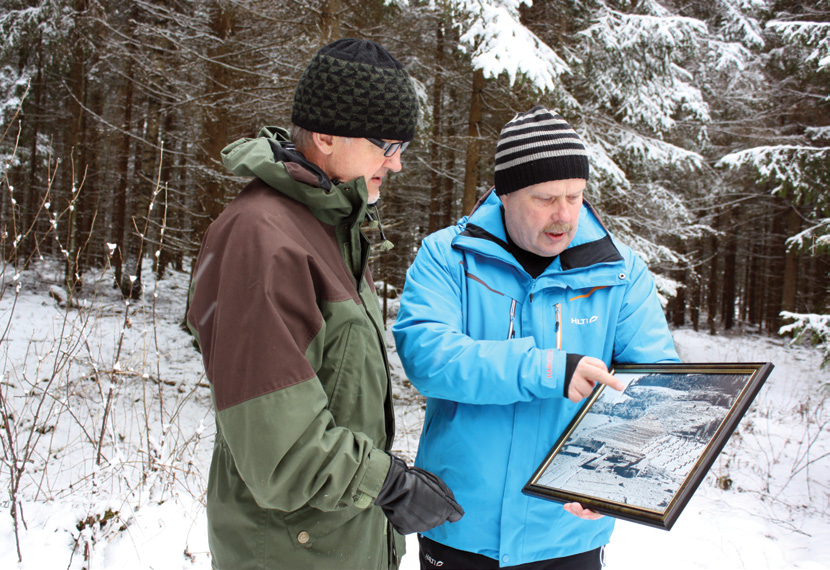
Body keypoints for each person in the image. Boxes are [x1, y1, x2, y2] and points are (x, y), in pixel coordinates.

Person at [187, 38, 463, 570]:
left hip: (333, 540)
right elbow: (281, 450)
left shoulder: (325, 229)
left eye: (402, 147)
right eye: (387, 145)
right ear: (326, 134)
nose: (397, 164)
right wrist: (389, 483)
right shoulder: (263, 238)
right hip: (289, 550)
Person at [392, 105, 680, 569]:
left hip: (567, 532)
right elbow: (429, 357)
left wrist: (611, 482)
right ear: (505, 194)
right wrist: (547, 369)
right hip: (459, 523)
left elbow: (656, 384)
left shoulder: (621, 273)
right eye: (546, 198)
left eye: (575, 195)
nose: (564, 215)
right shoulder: (448, 256)